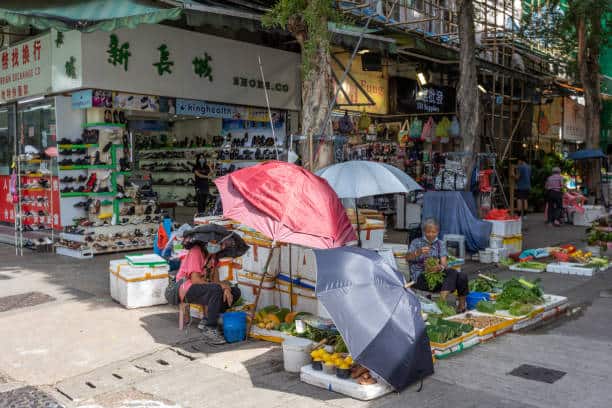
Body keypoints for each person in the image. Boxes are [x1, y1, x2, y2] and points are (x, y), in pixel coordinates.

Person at [176, 242, 241, 345]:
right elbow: (195, 279)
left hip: (203, 288)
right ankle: (210, 328)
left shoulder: (213, 257)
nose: (220, 246)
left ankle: (208, 319)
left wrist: (226, 289)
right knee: (216, 289)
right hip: (186, 288)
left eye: (221, 244)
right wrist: (220, 286)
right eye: (217, 242)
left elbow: (216, 281)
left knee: (235, 292)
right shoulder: (196, 251)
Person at [406, 218, 468, 312]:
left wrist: (440, 267)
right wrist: (417, 252)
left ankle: (461, 305)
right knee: (454, 274)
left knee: (460, 275)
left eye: (433, 232)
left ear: (438, 232)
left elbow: (444, 264)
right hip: (420, 278)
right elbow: (407, 258)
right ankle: (442, 302)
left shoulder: (440, 244)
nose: (431, 234)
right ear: (424, 231)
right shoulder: (416, 242)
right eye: (428, 232)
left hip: (439, 280)